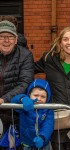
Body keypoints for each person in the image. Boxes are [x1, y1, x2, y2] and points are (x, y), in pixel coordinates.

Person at [35, 27, 70, 150]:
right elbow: (28, 70)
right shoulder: (49, 59)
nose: (69, 43)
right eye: (66, 39)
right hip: (58, 117)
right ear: (60, 42)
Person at [0, 20, 34, 149]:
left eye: (10, 37)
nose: (6, 40)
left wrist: (4, 99)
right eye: (2, 36)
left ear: (15, 39)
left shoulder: (25, 55)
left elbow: (25, 83)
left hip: (17, 115)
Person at [11, 78, 54, 150]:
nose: (39, 98)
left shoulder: (48, 110)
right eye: (36, 95)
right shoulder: (24, 106)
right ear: (29, 94)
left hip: (43, 144)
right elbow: (13, 101)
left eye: (43, 96)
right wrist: (22, 99)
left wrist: (42, 137)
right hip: (27, 144)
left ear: (47, 98)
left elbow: (48, 126)